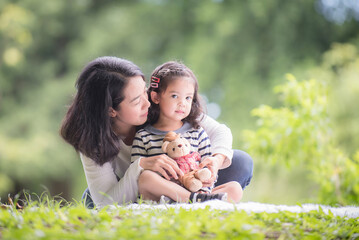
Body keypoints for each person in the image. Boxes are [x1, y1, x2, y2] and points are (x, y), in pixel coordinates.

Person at [60, 56, 253, 208]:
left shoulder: (163, 104)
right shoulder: (93, 140)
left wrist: (215, 160)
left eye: (145, 92)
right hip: (132, 192)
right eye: (136, 101)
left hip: (185, 182)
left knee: (240, 162)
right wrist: (141, 165)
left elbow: (220, 132)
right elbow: (106, 202)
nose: (147, 102)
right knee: (97, 200)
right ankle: (198, 202)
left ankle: (198, 201)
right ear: (111, 110)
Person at [131, 61, 242, 203]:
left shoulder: (197, 132)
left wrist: (206, 182)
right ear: (156, 97)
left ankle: (199, 199)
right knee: (146, 177)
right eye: (174, 96)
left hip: (195, 189)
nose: (182, 103)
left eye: (188, 98)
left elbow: (206, 167)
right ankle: (196, 201)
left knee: (235, 188)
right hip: (162, 196)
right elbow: (136, 173)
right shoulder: (144, 136)